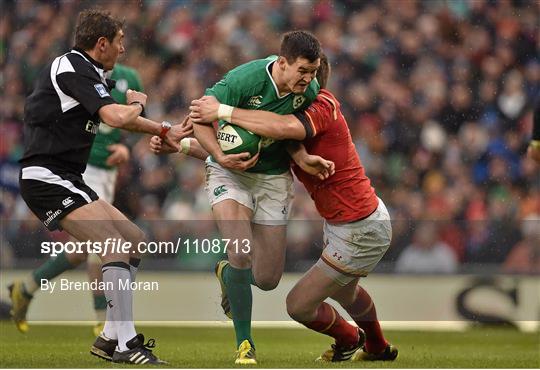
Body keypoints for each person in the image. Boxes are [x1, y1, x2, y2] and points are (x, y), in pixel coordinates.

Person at [10, 9, 191, 365]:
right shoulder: (73, 65)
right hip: (46, 177)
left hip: (66, 178)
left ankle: (109, 337)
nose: (124, 50)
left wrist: (165, 130)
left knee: (135, 240)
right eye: (121, 41)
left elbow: (122, 121)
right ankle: (126, 342)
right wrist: (138, 103)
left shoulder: (89, 72)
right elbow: (117, 117)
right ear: (102, 43)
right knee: (112, 243)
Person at [189, 54, 398, 362]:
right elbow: (249, 147)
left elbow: (281, 127)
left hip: (359, 228)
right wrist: (180, 141)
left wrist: (223, 110)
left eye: (309, 75)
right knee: (346, 292)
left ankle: (350, 338)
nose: (302, 81)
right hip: (354, 221)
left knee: (298, 305)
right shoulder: (292, 119)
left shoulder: (323, 107)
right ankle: (377, 348)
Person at [190, 30, 322, 364]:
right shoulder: (244, 80)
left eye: (314, 71)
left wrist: (302, 156)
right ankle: (245, 344)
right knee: (240, 250)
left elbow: (291, 134)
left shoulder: (310, 92)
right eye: (303, 71)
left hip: (274, 179)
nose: (309, 78)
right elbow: (201, 116)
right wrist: (220, 155)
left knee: (267, 279)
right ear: (282, 63)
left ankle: (227, 273)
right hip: (230, 172)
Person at [9, 63, 144, 337]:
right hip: (83, 167)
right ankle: (105, 323)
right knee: (105, 244)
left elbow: (132, 121)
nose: (120, 49)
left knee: (90, 248)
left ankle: (26, 288)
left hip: (108, 171)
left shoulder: (130, 78)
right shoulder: (80, 74)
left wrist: (126, 147)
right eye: (117, 41)